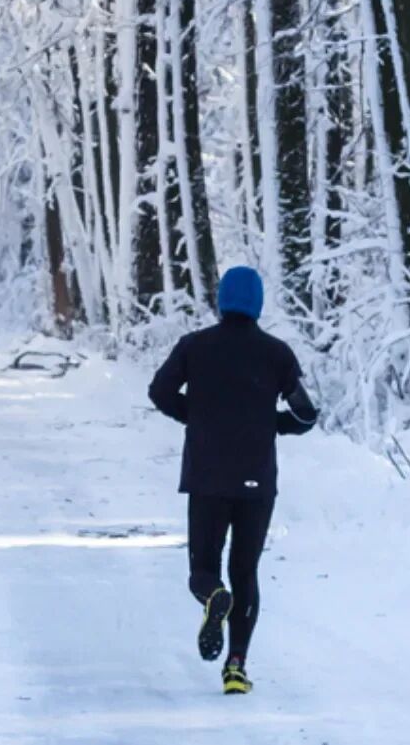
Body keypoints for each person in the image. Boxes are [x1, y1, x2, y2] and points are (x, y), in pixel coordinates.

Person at [147, 266, 317, 695]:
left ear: (221, 300)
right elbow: (305, 414)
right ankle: (236, 668)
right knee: (246, 571)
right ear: (258, 303)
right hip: (256, 480)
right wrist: (269, 424)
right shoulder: (276, 354)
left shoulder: (195, 346)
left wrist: (196, 417)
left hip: (207, 476)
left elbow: (159, 392)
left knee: (203, 568)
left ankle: (212, 596)